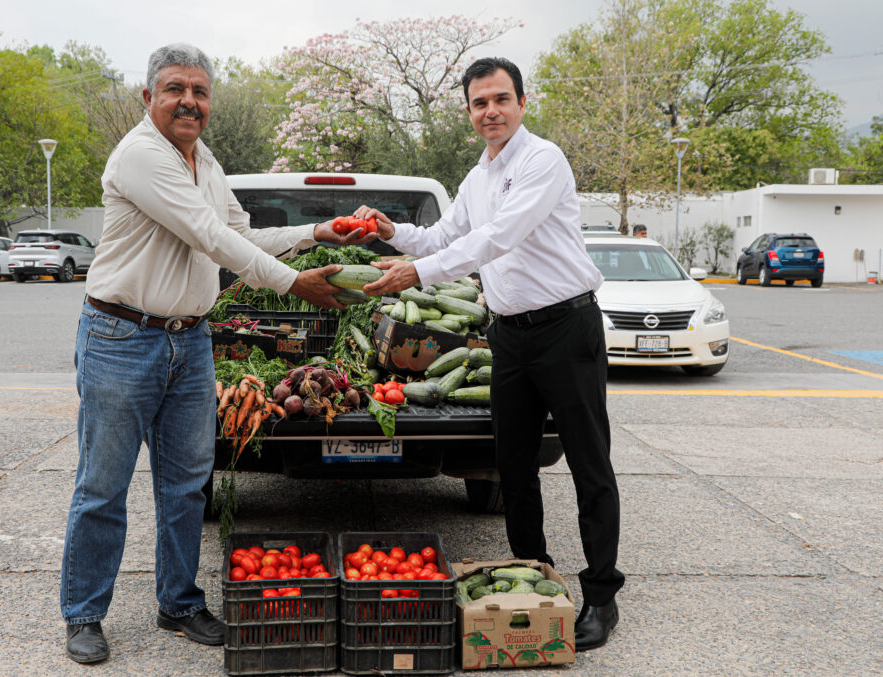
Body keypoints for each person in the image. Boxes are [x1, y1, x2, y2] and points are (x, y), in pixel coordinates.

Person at [60, 43, 375, 664]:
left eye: (200, 92)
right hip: (123, 337)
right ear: (147, 97)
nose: (189, 101)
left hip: (190, 339)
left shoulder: (204, 159)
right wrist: (294, 283)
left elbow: (241, 233)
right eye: (175, 88)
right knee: (103, 486)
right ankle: (84, 614)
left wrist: (317, 232)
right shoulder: (141, 156)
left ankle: (178, 603)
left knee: (186, 487)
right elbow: (209, 237)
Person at [358, 57, 623, 652]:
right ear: (470, 112)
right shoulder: (476, 179)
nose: (490, 112)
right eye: (479, 103)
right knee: (515, 464)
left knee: (588, 464)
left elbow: (501, 235)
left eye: (501, 99)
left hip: (566, 328)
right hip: (509, 335)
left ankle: (602, 595)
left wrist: (417, 272)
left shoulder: (542, 160)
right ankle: (535, 575)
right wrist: (390, 231)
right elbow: (443, 235)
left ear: (521, 103)